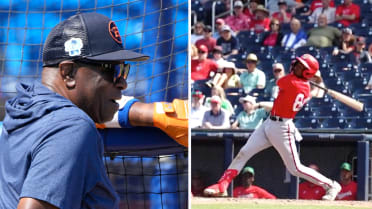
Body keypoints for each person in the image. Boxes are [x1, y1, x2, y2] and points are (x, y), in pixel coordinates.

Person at [0, 12, 188, 209]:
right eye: (112, 70)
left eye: (124, 70)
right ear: (69, 73)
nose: (123, 82)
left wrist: (138, 112)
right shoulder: (71, 126)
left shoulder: (22, 109)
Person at [203, 54, 341, 201]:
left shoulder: (293, 83)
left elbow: (281, 80)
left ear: (307, 73)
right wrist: (313, 78)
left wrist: (310, 77)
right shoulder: (303, 86)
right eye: (298, 64)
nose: (296, 66)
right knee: (244, 152)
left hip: (283, 128)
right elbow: (296, 78)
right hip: (269, 123)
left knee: (295, 168)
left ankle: (331, 185)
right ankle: (222, 184)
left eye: (301, 67)